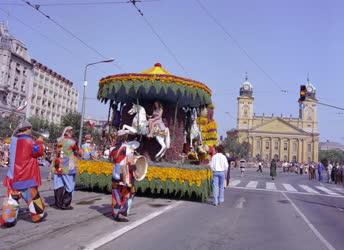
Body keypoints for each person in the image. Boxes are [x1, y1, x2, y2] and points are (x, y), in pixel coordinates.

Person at [1, 121, 46, 227]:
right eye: (30, 129)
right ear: (27, 129)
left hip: (13, 176)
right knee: (33, 197)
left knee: (12, 199)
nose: (31, 131)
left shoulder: (14, 140)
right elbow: (38, 152)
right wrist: (39, 142)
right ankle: (37, 216)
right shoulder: (29, 140)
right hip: (26, 175)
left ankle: (8, 219)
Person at [51, 126, 81, 210]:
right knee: (70, 185)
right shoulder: (72, 142)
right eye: (71, 131)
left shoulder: (59, 140)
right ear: (69, 132)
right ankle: (65, 204)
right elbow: (79, 152)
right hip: (67, 166)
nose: (72, 133)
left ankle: (58, 203)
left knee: (58, 184)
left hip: (57, 165)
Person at [109, 137, 138, 221]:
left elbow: (111, 160)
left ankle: (115, 213)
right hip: (124, 176)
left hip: (115, 175)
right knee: (126, 194)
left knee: (115, 194)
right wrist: (136, 170)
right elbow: (130, 162)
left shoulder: (113, 149)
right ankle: (121, 212)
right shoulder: (127, 148)